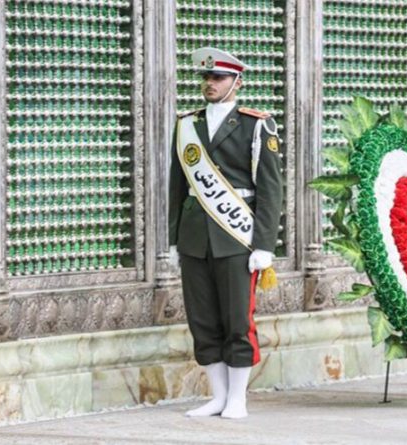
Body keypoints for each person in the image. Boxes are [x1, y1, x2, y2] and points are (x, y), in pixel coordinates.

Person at [168, 47, 283, 419]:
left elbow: (270, 189)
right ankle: (217, 396)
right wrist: (173, 239)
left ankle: (238, 399)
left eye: (217, 78)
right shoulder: (187, 124)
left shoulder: (256, 124)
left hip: (237, 236)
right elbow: (177, 185)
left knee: (237, 319)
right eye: (206, 78)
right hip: (195, 237)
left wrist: (264, 243)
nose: (209, 84)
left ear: (237, 82)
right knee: (202, 320)